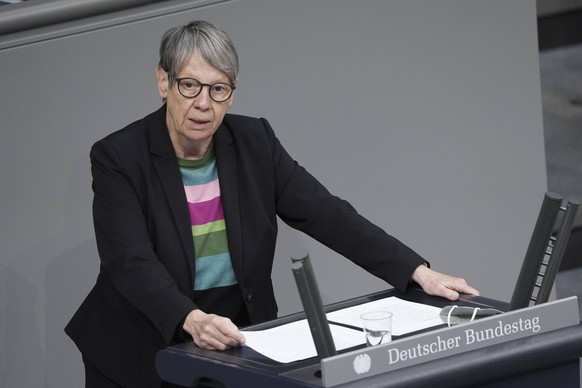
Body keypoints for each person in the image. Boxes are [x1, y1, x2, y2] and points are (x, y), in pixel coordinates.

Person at [65, 20, 479, 388]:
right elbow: (131, 261)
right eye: (189, 85)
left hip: (237, 335)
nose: (203, 104)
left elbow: (327, 213)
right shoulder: (119, 156)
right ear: (163, 82)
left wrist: (416, 271)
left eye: (218, 89)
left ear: (232, 92)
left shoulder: (254, 142)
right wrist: (190, 319)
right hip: (143, 343)